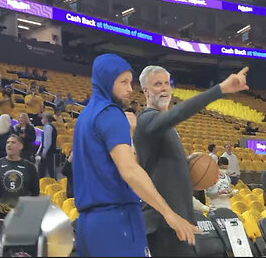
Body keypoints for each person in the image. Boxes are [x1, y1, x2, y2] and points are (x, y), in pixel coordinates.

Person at [72, 54, 199, 257]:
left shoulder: (85, 116)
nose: (130, 89)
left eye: (130, 82)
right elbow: (130, 169)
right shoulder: (112, 114)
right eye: (123, 82)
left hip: (88, 223)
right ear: (106, 81)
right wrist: (170, 214)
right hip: (115, 218)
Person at [133, 64, 249, 256]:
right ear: (145, 91)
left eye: (166, 83)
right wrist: (220, 89)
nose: (164, 88)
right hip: (163, 222)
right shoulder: (146, 120)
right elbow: (178, 113)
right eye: (157, 84)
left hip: (180, 220)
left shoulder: (165, 127)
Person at [0, 135, 39, 219]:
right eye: (7, 142)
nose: (9, 145)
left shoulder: (30, 167)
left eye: (13, 142)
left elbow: (35, 191)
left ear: (21, 146)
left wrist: (27, 207)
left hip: (22, 214)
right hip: (0, 214)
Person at [37, 114, 58, 179]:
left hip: (49, 152)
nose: (41, 120)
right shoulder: (48, 127)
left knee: (50, 170)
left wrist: (44, 152)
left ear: (46, 119)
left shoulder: (48, 127)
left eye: (43, 118)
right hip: (48, 151)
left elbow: (47, 141)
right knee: (43, 170)